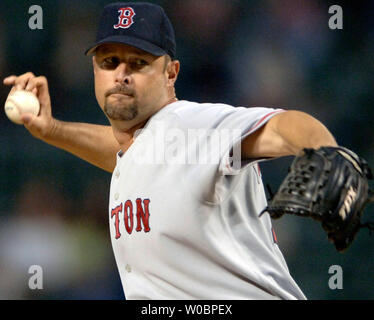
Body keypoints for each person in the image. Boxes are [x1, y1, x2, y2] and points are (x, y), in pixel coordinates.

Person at [3, 2, 338, 300]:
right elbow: (128, 151)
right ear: (95, 72)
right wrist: (53, 130)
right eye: (109, 62)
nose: (121, 75)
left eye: (138, 63)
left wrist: (327, 156)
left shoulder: (194, 124)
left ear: (170, 73)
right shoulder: (148, 146)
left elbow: (284, 127)